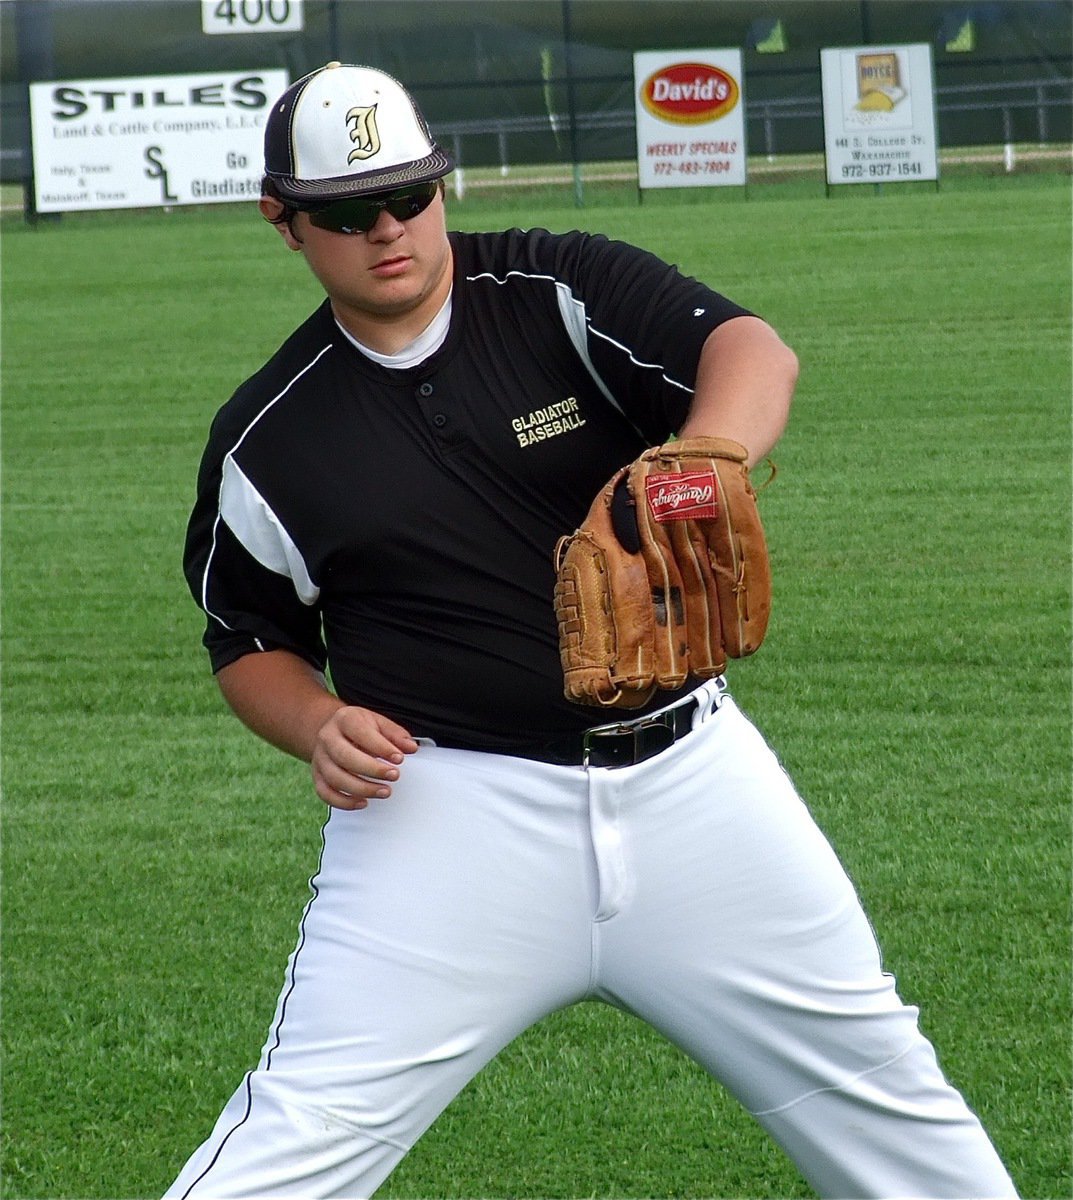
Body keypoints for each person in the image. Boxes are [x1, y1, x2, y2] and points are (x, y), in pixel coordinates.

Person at [165, 62, 1017, 1200]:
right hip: (444, 818)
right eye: (345, 213)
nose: (389, 232)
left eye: (411, 196)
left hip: (693, 785)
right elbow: (246, 637)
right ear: (283, 222)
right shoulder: (269, 439)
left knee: (884, 1098)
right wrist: (314, 721)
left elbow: (751, 353)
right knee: (293, 1141)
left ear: (441, 185)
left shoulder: (556, 287)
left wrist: (698, 459)